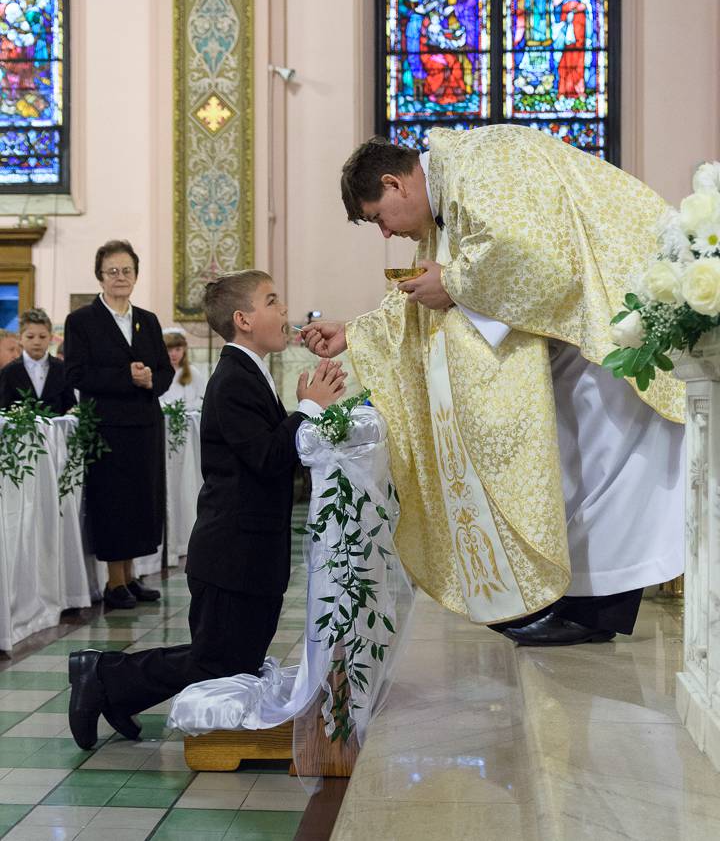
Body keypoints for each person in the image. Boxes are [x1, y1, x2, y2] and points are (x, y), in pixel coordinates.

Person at [303, 127, 685, 646]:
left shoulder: (483, 163)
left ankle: (592, 613)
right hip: (585, 330)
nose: (386, 233)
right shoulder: (447, 193)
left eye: (378, 218)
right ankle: (579, 605)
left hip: (615, 305)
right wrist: (354, 332)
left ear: (394, 183)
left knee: (609, 461)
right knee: (582, 466)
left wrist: (453, 282)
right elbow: (423, 294)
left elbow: (534, 256)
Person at [67, 269, 346, 749]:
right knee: (218, 663)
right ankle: (104, 674)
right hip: (232, 551)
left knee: (232, 660)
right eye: (272, 300)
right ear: (243, 319)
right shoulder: (233, 379)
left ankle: (114, 684)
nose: (284, 309)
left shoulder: (251, 372)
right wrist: (308, 410)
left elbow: (275, 452)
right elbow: (266, 456)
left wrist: (310, 411)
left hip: (251, 549)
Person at [63, 240, 174, 610]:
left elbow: (165, 370)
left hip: (145, 424)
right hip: (107, 427)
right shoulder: (82, 321)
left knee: (142, 502)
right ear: (100, 276)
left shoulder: (148, 320)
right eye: (112, 271)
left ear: (136, 275)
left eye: (127, 270)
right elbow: (76, 373)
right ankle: (113, 583)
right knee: (114, 502)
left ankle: (129, 576)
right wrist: (126, 376)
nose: (120, 277)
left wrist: (150, 380)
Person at [0, 307, 75, 414]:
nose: (37, 342)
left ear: (50, 338)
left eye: (42, 337)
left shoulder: (62, 368)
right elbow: (3, 409)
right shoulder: (8, 371)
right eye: (30, 337)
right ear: (20, 338)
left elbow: (70, 407)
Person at [159, 327, 206, 411]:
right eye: (169, 350)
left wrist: (184, 409)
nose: (173, 354)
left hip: (189, 416)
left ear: (184, 350)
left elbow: (202, 398)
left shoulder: (193, 372)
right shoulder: (159, 372)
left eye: (178, 349)